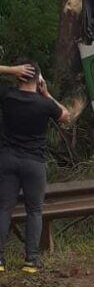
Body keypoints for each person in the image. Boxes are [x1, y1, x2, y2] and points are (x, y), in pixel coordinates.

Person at [0, 60, 70, 274]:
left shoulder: (7, 96)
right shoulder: (45, 104)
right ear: (39, 80)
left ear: (18, 76)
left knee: (4, 208)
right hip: (34, 163)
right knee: (34, 211)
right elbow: (66, 115)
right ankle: (31, 260)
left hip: (7, 159)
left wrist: (10, 70)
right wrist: (46, 93)